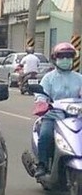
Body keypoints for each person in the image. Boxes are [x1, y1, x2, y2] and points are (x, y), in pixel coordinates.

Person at [34, 42, 82, 177]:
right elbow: (41, 95)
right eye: (62, 57)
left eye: (69, 57)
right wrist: (42, 103)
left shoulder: (79, 78)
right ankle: (42, 164)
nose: (66, 60)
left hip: (76, 116)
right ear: (55, 59)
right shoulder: (48, 78)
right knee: (45, 136)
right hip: (53, 115)